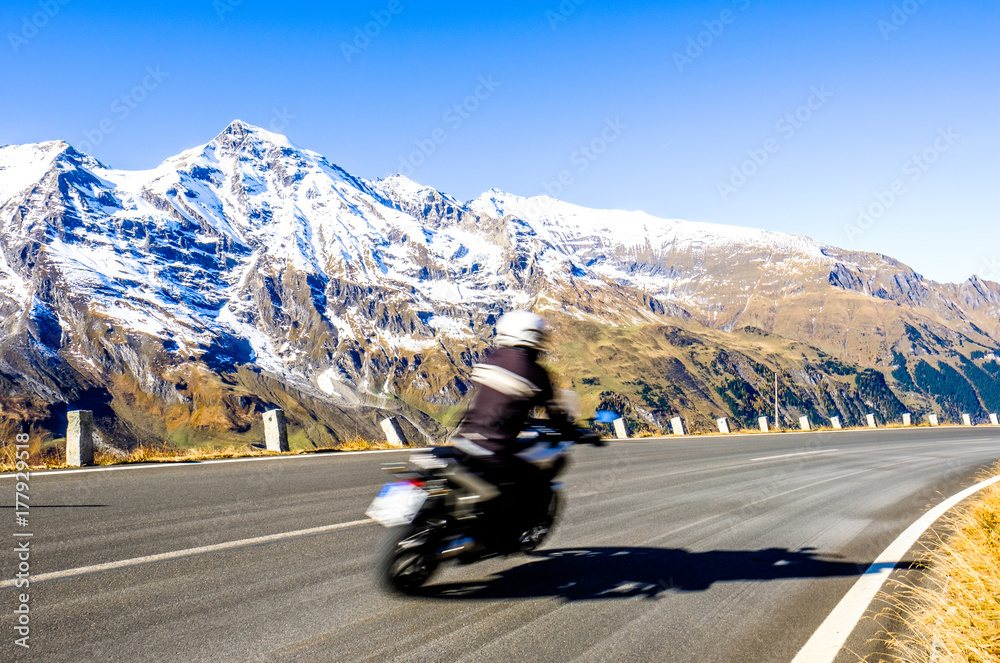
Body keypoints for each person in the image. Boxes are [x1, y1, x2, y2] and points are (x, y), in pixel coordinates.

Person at [452, 310, 587, 548]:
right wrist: (574, 432)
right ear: (533, 337)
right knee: (537, 482)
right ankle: (514, 531)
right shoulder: (534, 372)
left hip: (462, 441)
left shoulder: (492, 358)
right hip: (493, 451)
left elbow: (498, 403)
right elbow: (555, 414)